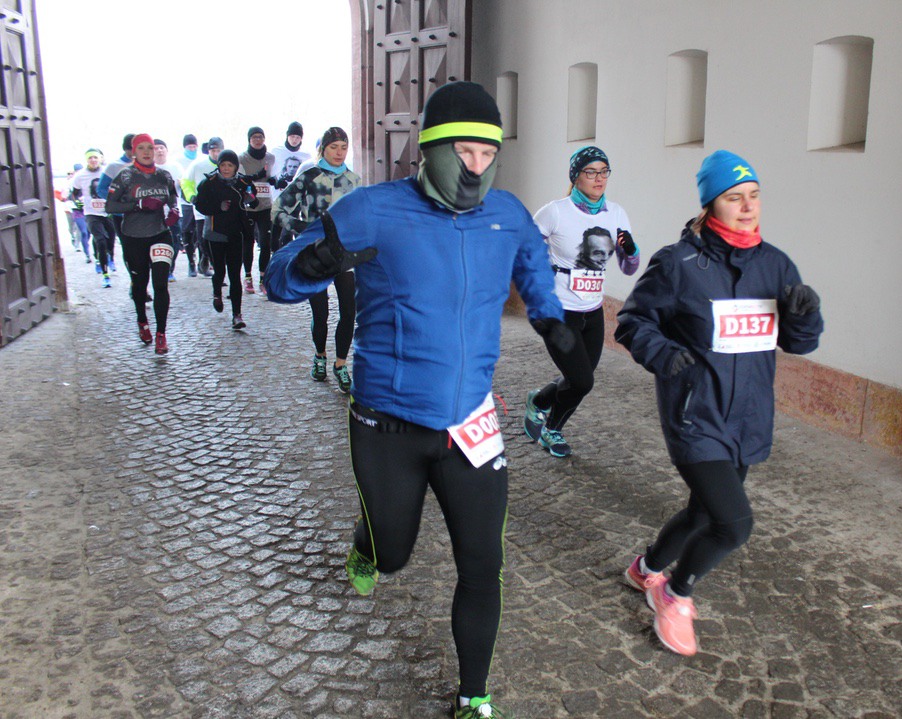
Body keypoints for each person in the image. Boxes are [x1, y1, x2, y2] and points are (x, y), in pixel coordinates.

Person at [265, 82, 570, 719]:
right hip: (387, 424)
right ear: (429, 150)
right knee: (393, 553)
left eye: (488, 154)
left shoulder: (506, 213)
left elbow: (532, 265)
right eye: (464, 152)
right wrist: (311, 265)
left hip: (471, 426)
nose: (476, 167)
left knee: (483, 565)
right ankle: (368, 543)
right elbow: (279, 275)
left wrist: (550, 318)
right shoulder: (373, 209)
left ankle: (473, 697)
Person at [616, 150, 823, 656]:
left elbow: (799, 343)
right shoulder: (678, 264)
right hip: (696, 414)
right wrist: (665, 354)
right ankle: (674, 593)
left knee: (702, 513)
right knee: (733, 524)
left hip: (748, 416)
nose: (748, 207)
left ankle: (644, 569)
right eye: (734, 198)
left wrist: (804, 315)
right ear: (710, 205)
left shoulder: (776, 264)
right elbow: (633, 322)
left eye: (754, 195)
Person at [523, 146, 640, 457]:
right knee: (582, 381)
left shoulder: (616, 213)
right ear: (576, 177)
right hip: (558, 312)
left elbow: (629, 267)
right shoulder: (555, 212)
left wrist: (631, 251)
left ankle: (542, 406)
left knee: (578, 379)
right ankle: (550, 426)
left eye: (604, 172)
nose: (599, 178)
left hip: (593, 311)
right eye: (591, 172)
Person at [271, 127, 361, 392]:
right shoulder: (308, 176)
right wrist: (301, 227)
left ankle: (341, 365)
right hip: (314, 255)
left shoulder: (354, 181)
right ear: (323, 149)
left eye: (343, 147)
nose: (339, 153)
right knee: (320, 313)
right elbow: (278, 209)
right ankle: (320, 356)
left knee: (348, 311)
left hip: (343, 254)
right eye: (334, 147)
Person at [104, 133, 180, 355]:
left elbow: (172, 199)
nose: (147, 152)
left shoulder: (164, 176)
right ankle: (142, 320)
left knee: (160, 285)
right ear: (134, 152)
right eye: (141, 148)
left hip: (160, 234)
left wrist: (173, 212)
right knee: (140, 284)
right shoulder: (125, 176)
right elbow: (110, 206)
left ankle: (161, 334)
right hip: (134, 237)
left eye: (150, 148)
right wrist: (137, 205)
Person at [195, 149, 257, 330]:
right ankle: (217, 293)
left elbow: (253, 199)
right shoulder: (209, 183)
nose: (226, 168)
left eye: (230, 165)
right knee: (220, 271)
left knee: (235, 274)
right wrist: (218, 207)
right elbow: (199, 205)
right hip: (215, 233)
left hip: (236, 233)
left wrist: (250, 197)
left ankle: (237, 315)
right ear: (218, 166)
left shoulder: (242, 182)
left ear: (236, 167)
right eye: (223, 165)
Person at [69, 149, 116, 287]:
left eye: (95, 157)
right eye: (90, 158)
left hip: (108, 212)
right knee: (100, 240)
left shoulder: (107, 172)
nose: (93, 160)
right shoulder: (80, 175)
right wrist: (78, 202)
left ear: (100, 158)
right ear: (87, 160)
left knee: (110, 240)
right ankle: (105, 274)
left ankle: (110, 257)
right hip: (91, 213)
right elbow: (74, 193)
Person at [238, 126, 276, 294]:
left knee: (266, 242)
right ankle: (247, 277)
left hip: (266, 206)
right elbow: (242, 180)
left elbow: (272, 176)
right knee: (248, 242)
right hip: (249, 206)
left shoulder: (271, 158)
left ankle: (263, 278)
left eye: (260, 137)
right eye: (254, 137)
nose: (258, 140)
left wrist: (275, 180)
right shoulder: (242, 158)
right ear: (249, 140)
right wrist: (257, 176)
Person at [268, 122, 310, 263]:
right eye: (292, 136)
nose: (294, 140)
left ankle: (289, 261)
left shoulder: (306, 156)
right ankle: (276, 260)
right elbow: (268, 172)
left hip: (296, 201)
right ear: (287, 136)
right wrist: (274, 181)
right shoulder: (276, 152)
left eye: (297, 137)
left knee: (289, 232)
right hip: (278, 199)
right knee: (275, 234)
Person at [182, 136, 225, 276]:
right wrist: (191, 196)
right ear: (208, 151)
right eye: (213, 150)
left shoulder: (228, 165)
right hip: (202, 211)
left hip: (222, 211)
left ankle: (217, 269)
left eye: (218, 150)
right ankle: (205, 257)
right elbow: (186, 182)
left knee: (219, 240)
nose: (216, 153)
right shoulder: (197, 165)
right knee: (203, 240)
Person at [96, 133, 135, 273]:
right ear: (126, 149)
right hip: (122, 216)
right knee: (129, 247)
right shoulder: (114, 166)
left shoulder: (147, 165)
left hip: (144, 214)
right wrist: (119, 201)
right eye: (132, 149)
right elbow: (101, 189)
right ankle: (135, 278)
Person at [154, 139, 185, 282]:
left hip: (174, 211)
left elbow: (184, 185)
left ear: (166, 150)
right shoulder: (149, 168)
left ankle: (169, 269)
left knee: (175, 242)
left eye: (162, 147)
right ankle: (159, 268)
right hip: (154, 214)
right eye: (156, 148)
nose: (159, 150)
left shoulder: (176, 167)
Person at [176, 133, 201, 277]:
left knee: (200, 233)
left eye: (194, 146)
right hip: (185, 202)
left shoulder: (200, 160)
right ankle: (191, 262)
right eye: (189, 146)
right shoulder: (178, 161)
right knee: (187, 232)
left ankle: (203, 261)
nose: (192, 149)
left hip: (200, 201)